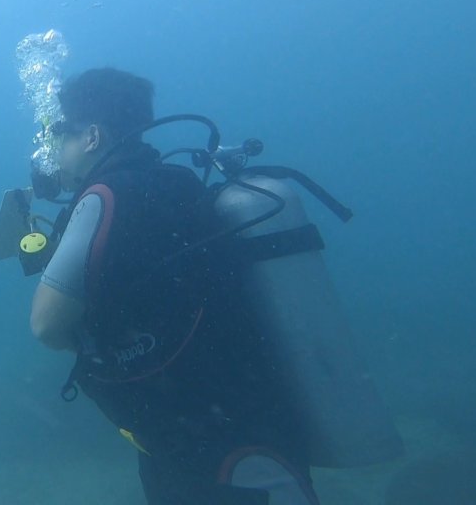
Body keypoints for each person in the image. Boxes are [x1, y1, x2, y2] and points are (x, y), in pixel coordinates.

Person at [29, 68, 321, 504]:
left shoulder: (104, 196)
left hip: (198, 445)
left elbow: (46, 326)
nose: (55, 151)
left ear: (92, 136)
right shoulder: (176, 183)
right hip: (233, 425)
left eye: (61, 136)